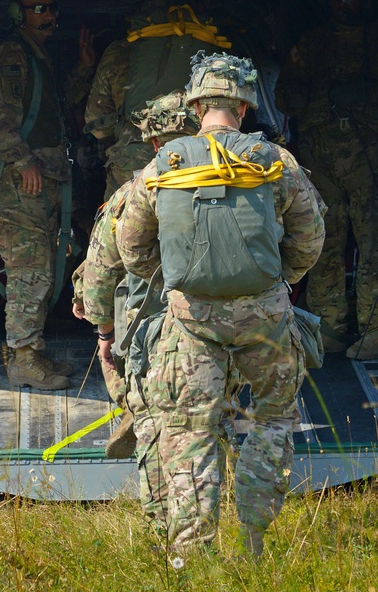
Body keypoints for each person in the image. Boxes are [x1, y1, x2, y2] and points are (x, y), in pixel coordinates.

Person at [116, 53, 326, 559]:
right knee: (274, 418)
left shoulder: (164, 162)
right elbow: (310, 237)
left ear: (194, 104)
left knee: (190, 432)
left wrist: (178, 283)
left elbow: (131, 244)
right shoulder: (277, 162)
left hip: (193, 320)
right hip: (266, 316)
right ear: (245, 106)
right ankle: (255, 538)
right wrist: (277, 282)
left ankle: (192, 556)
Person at [277, 0, 378, 361]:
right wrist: (304, 93)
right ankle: (329, 326)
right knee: (323, 241)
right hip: (321, 159)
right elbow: (284, 97)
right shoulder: (311, 44)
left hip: (370, 157)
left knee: (375, 240)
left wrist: (367, 94)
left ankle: (377, 329)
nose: (344, 3)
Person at [72, 91, 201, 528]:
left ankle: (162, 528)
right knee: (208, 418)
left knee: (153, 425)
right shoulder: (241, 185)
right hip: (222, 325)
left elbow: (101, 271)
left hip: (153, 332)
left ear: (152, 144)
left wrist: (104, 335)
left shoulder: (133, 194)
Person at [0, 0, 95, 390]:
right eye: (38, 10)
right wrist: (23, 160)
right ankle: (24, 360)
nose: (49, 16)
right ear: (19, 15)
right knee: (30, 272)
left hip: (45, 177)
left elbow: (57, 107)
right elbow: (0, 117)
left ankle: (30, 351)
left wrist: (84, 67)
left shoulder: (37, 58)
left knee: (43, 269)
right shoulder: (12, 55)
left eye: (52, 8)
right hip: (23, 181)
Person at [84, 0, 232, 197]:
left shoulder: (121, 52)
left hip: (135, 162)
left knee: (124, 229)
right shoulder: (215, 52)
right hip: (200, 161)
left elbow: (96, 124)